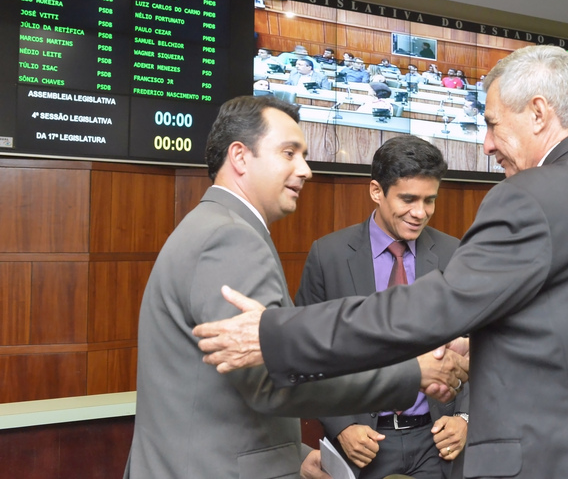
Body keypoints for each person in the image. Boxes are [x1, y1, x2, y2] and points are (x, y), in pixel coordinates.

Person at [193, 46, 568, 479]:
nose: (486, 144)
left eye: (492, 123)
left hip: (562, 461)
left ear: (538, 113)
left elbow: (429, 308)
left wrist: (275, 333)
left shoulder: (533, 194)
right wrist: (481, 344)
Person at [125, 95, 468, 479]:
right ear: (240, 157)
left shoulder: (214, 225)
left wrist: (295, 455)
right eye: (289, 153)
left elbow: (235, 385)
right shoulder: (229, 239)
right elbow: (272, 377)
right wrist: (410, 373)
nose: (305, 169)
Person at [295, 136, 469, 479]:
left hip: (437, 440)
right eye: (408, 199)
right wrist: (342, 425)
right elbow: (307, 353)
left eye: (430, 200)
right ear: (376, 191)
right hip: (362, 442)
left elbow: (481, 343)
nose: (420, 212)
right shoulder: (328, 257)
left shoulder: (454, 254)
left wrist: (464, 418)